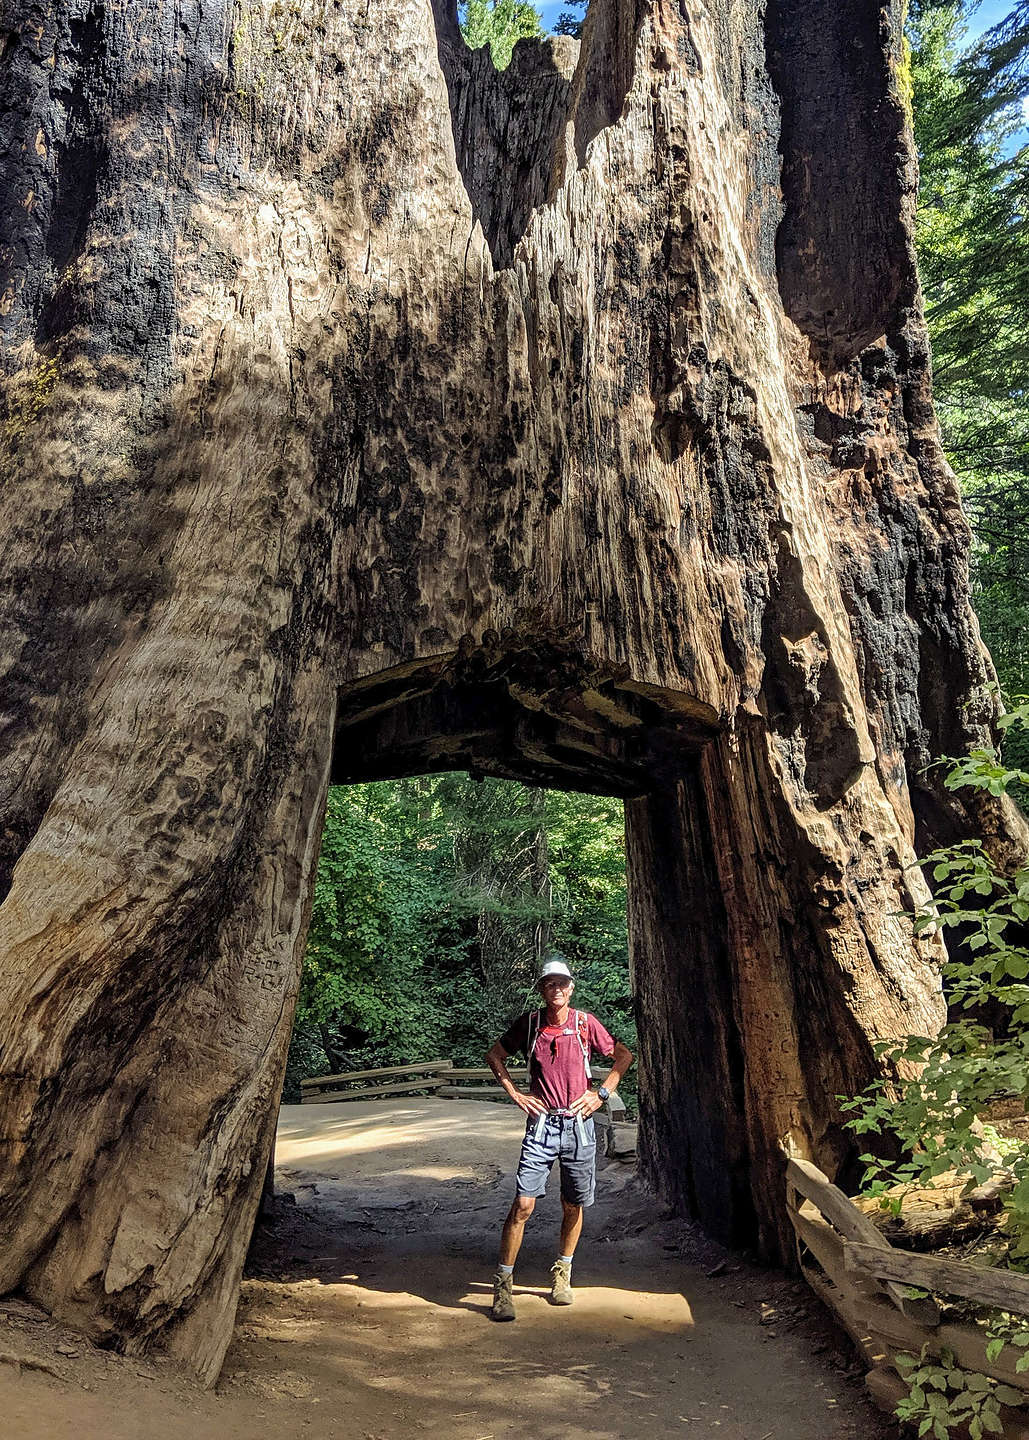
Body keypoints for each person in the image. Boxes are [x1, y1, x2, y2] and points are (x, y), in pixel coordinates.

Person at [484, 953, 634, 1321]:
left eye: (563, 983)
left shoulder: (585, 1023)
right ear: (542, 989)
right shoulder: (531, 1024)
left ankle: (562, 1275)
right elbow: (495, 1055)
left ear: (571, 988)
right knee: (523, 1204)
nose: (557, 989)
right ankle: (503, 1285)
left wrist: (600, 1094)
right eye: (550, 983)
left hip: (578, 1124)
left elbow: (624, 1056)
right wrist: (517, 1095)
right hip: (542, 1124)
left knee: (573, 1203)